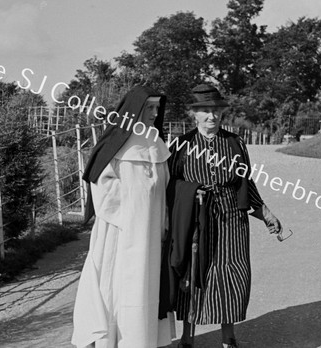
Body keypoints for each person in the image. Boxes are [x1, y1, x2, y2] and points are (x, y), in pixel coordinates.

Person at [167, 84, 282, 348]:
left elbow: (246, 181)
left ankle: (228, 337)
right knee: (194, 273)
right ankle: (186, 337)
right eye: (205, 111)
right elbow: (170, 185)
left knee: (230, 274)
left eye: (216, 111)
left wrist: (264, 211)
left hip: (232, 218)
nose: (211, 117)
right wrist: (189, 194)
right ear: (193, 114)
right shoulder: (182, 145)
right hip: (196, 219)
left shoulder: (235, 143)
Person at [71, 86, 175, 348]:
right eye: (149, 107)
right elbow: (101, 183)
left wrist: (161, 218)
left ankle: (144, 340)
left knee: (148, 284)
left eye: (157, 108)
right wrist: (129, 217)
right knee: (118, 287)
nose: (154, 113)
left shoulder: (157, 142)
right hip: (120, 233)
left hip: (151, 232)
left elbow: (163, 187)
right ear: (134, 110)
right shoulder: (116, 143)